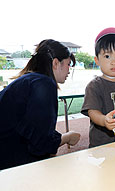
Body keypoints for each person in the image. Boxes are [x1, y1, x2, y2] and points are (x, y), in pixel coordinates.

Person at [0, 39, 81, 170]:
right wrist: (66, 138)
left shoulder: (30, 80)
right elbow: (40, 144)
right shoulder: (44, 84)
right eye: (68, 64)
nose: (69, 70)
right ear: (56, 63)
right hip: (10, 163)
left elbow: (34, 128)